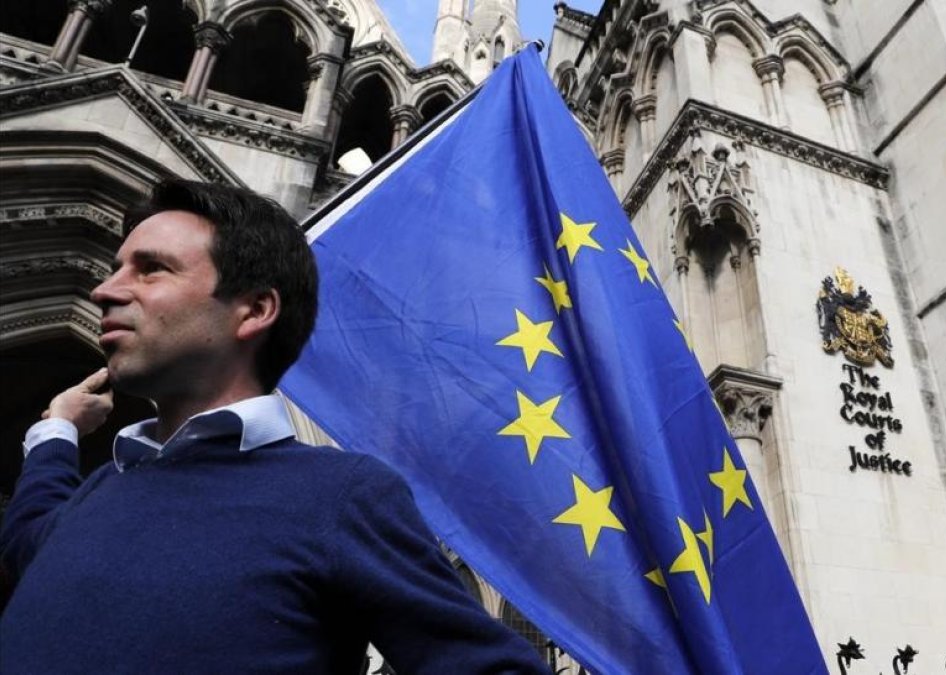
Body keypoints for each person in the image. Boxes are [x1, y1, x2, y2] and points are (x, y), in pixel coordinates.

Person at [0, 179, 549, 674]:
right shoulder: (100, 491)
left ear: (255, 309)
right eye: (115, 268)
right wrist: (56, 432)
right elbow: (28, 541)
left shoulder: (341, 495)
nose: (105, 291)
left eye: (151, 269)